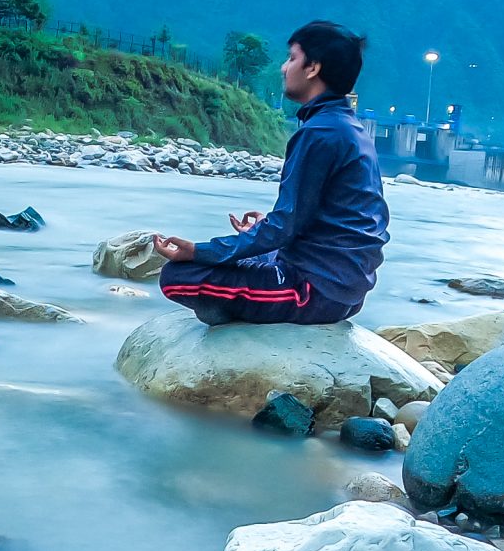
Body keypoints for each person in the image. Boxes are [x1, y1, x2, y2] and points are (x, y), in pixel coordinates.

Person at [150, 21, 387, 325]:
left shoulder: (320, 133)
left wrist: (199, 251)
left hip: (315, 291)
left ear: (312, 67)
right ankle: (233, 302)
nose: (283, 67)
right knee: (246, 256)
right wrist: (262, 231)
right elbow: (324, 220)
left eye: (292, 58)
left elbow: (285, 227)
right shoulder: (350, 129)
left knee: (177, 275)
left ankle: (231, 311)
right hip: (345, 286)